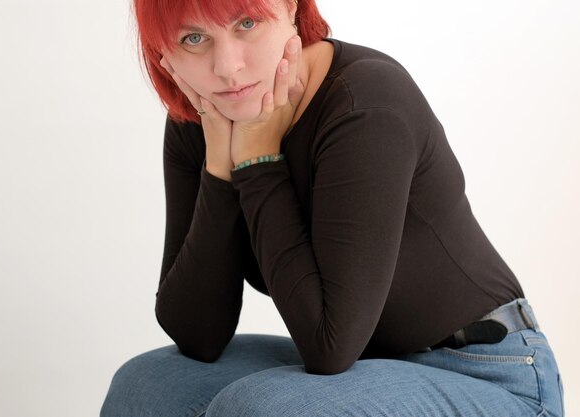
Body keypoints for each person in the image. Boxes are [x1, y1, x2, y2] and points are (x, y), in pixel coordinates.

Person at [101, 0, 565, 415]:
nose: (228, 68)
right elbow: (197, 336)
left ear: (290, 8)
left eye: (246, 22)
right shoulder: (202, 120)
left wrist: (259, 160)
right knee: (146, 384)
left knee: (264, 409)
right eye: (194, 38)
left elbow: (329, 347)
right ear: (166, 54)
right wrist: (222, 169)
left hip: (488, 373)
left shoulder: (366, 102)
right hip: (367, 368)